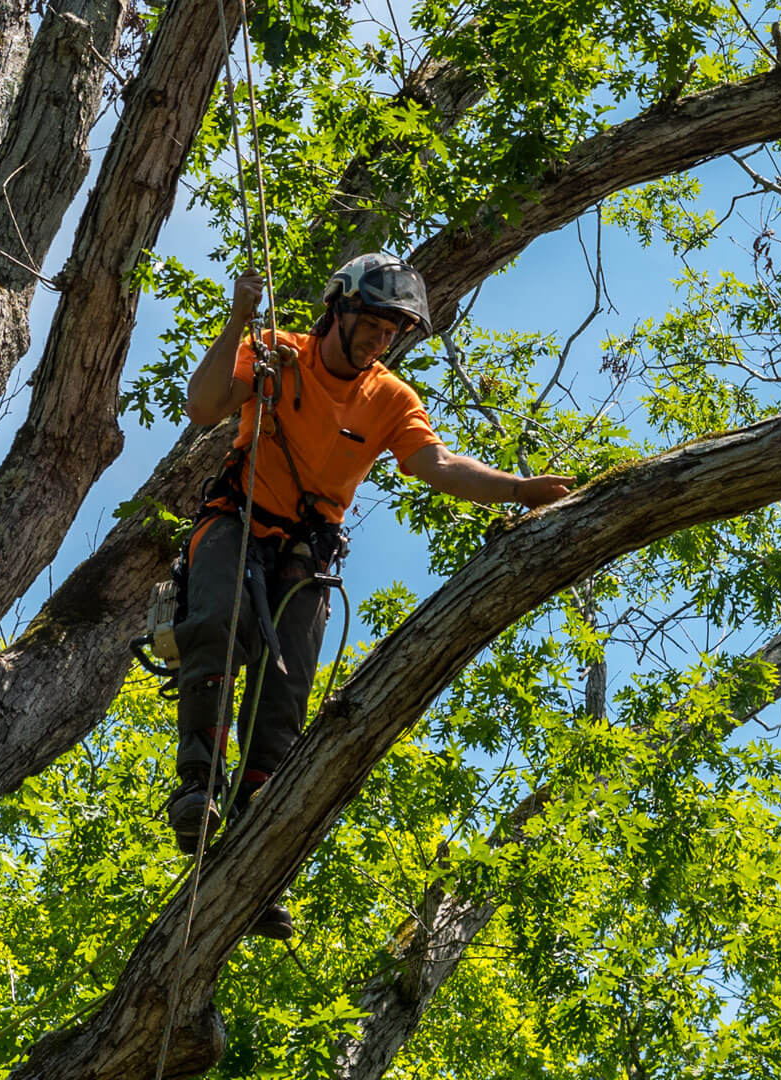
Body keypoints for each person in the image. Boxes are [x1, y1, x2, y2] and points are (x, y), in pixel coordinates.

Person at [167, 253, 573, 939]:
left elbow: (436, 464)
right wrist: (239, 319)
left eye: (395, 329)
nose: (384, 339)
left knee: (285, 701)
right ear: (341, 308)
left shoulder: (390, 399)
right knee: (217, 625)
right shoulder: (276, 355)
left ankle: (258, 859)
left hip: (305, 553)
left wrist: (515, 489)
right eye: (376, 323)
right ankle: (199, 790)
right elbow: (203, 406)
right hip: (236, 522)